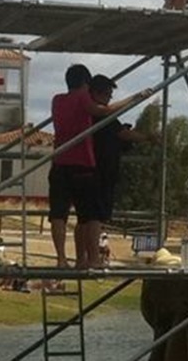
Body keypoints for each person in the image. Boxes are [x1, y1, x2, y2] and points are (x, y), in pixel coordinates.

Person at [50, 64, 150, 269]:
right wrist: (135, 98)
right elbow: (105, 111)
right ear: (86, 84)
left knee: (59, 214)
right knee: (89, 216)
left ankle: (62, 258)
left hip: (59, 161)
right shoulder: (83, 98)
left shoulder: (57, 100)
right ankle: (91, 259)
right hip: (82, 165)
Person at [88, 74, 156, 227]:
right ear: (97, 93)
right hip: (102, 169)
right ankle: (91, 251)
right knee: (95, 217)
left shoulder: (88, 112)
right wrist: (148, 137)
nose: (109, 100)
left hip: (93, 167)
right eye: (108, 96)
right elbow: (123, 134)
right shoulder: (101, 115)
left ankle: (85, 251)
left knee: (86, 217)